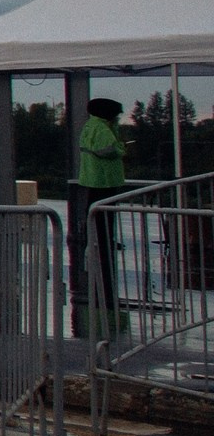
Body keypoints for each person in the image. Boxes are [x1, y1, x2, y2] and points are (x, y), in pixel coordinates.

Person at [75, 96, 128, 329]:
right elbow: (109, 150)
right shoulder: (103, 129)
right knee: (104, 218)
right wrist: (122, 148)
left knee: (95, 215)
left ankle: (97, 240)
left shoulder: (90, 126)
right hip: (104, 179)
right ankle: (103, 242)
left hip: (92, 178)